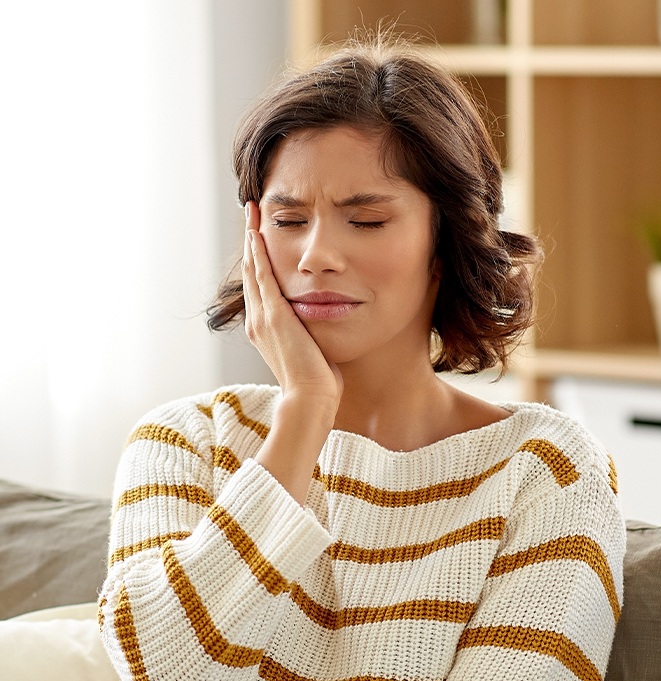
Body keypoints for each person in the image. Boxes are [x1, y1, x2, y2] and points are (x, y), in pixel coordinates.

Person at [99, 35, 625, 681]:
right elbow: (158, 667)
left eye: (367, 220)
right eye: (288, 220)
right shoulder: (184, 442)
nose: (316, 254)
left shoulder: (546, 468)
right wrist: (305, 412)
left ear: (446, 242)